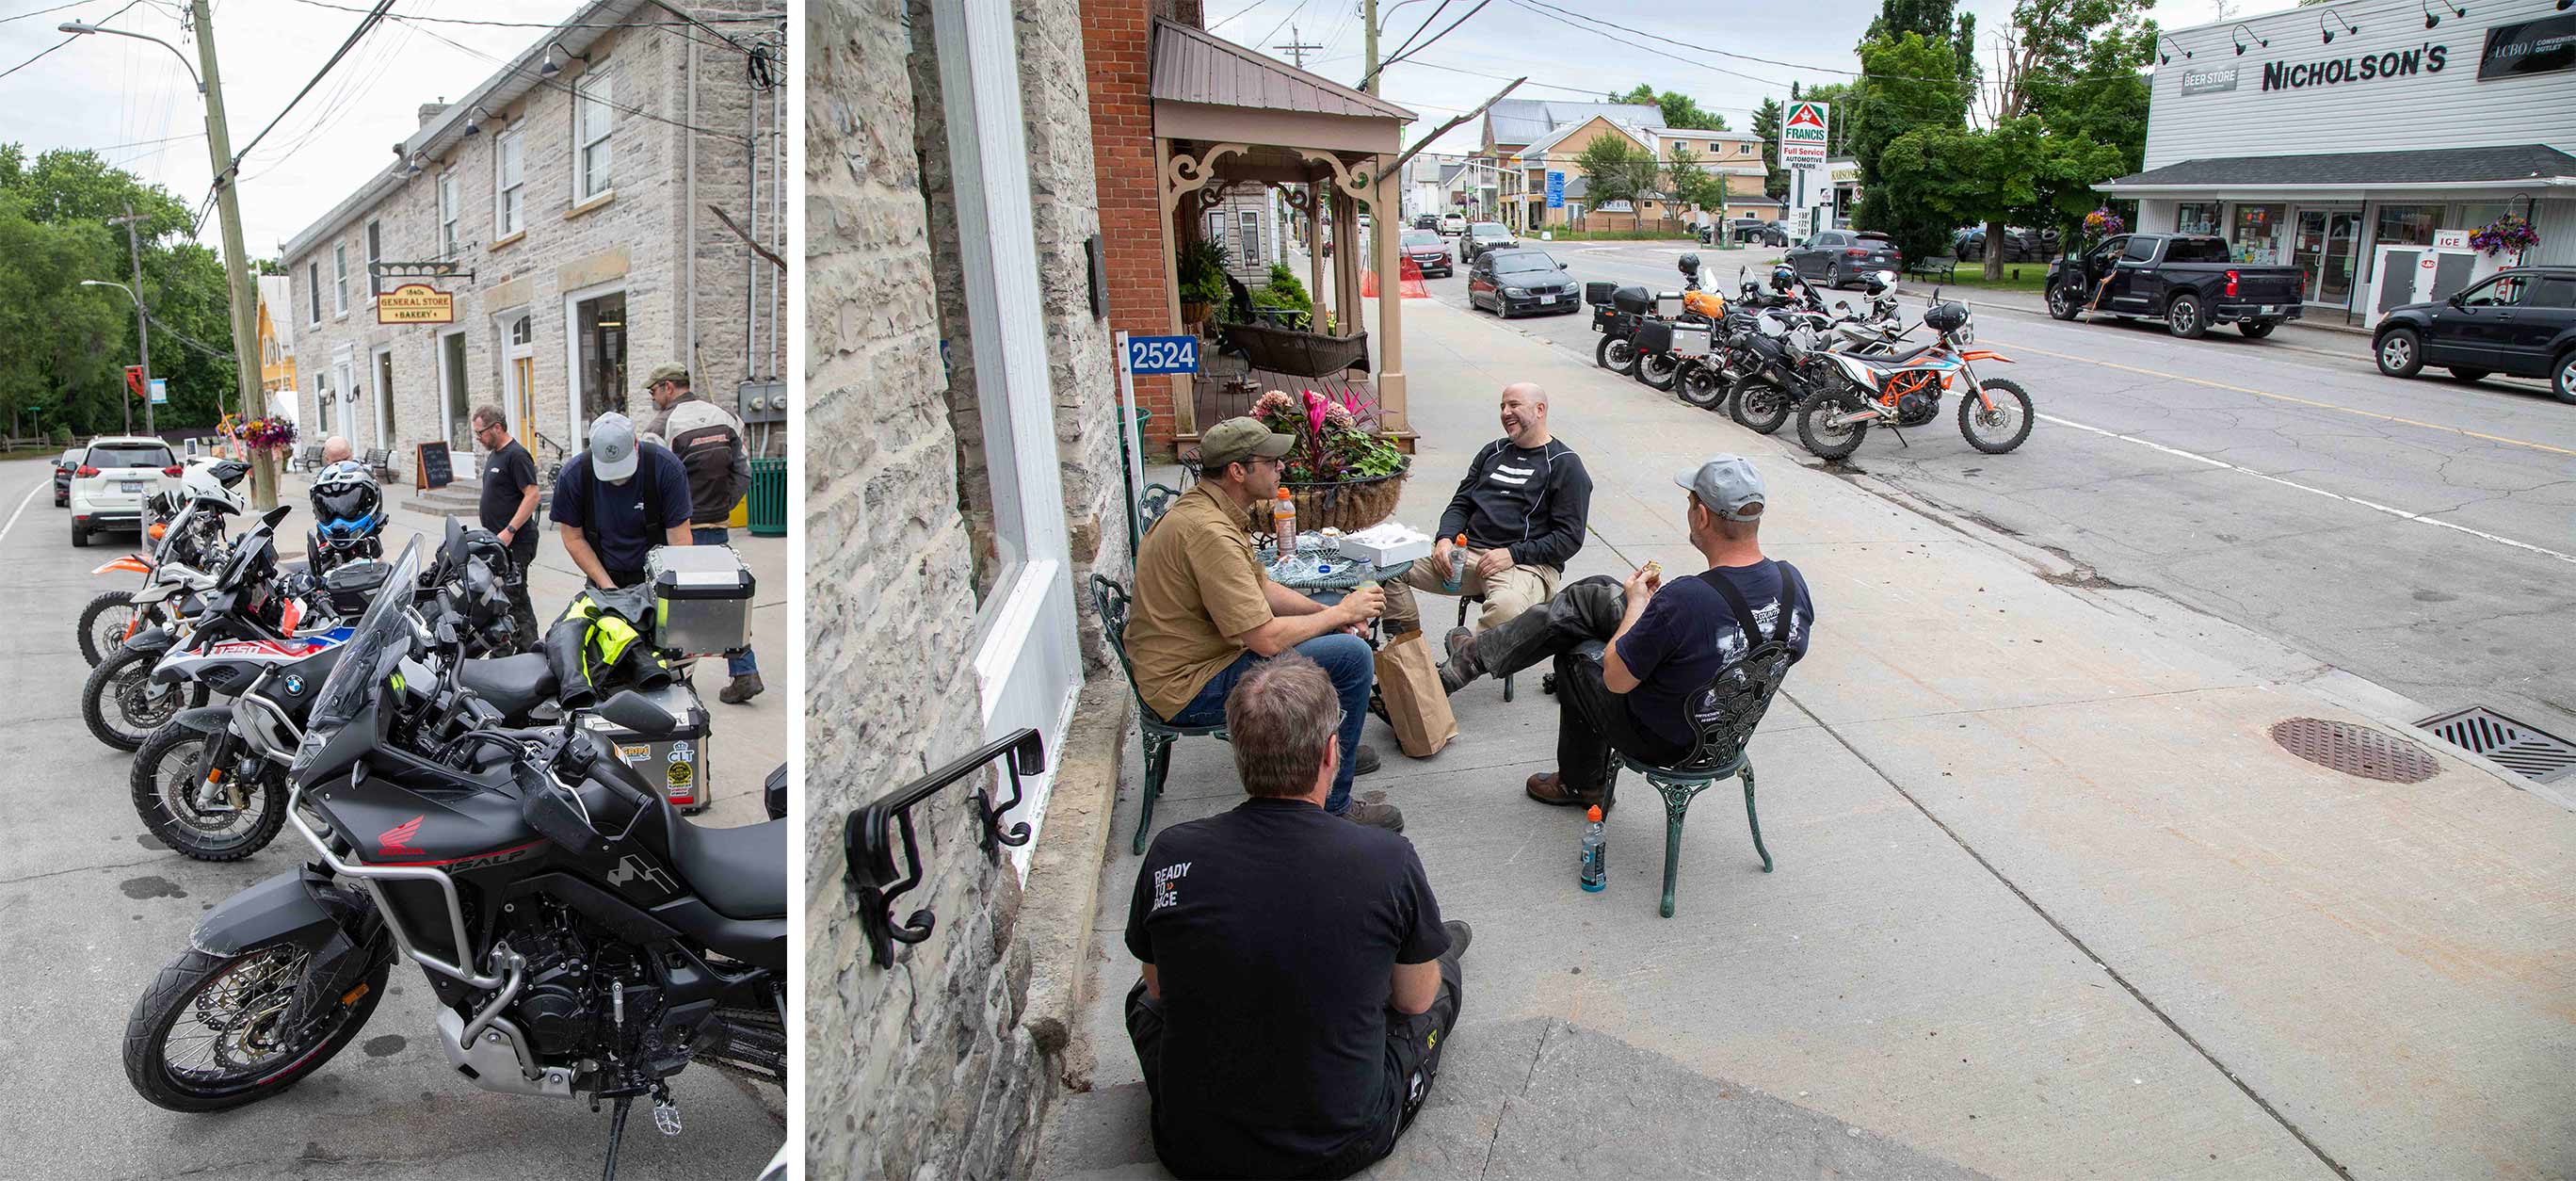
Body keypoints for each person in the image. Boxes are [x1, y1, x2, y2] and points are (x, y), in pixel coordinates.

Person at [1125, 655, 1469, 1180]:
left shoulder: (1171, 853)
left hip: (1192, 1147)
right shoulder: (1386, 858)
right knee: (1439, 978)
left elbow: (1159, 987)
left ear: (1238, 753)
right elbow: (1413, 1000)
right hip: (1343, 1143)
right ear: (1332, 751)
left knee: (1142, 999)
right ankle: (1432, 947)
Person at [1441, 455, 1813, 808]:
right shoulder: (1792, 582)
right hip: (1725, 734)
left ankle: (1582, 783)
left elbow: (1616, 680)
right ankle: (1477, 654)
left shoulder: (1687, 597)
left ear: (1701, 516)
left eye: (1689, 504)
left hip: (1663, 739)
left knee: (1575, 652)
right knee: (1598, 593)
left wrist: (1638, 605)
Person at [1125, 416, 1399, 830]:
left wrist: (1330, 610)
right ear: (1238, 471)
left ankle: (1325, 748)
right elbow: (1265, 639)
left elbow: (1263, 588)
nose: (1281, 469)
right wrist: (1340, 615)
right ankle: (1333, 808)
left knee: (1325, 609)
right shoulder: (1209, 532)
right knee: (1354, 655)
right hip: (1190, 688)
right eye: (1271, 461)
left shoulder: (1209, 509)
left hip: (1194, 661)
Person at [1377, 383, 1592, 686]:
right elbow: (1461, 503)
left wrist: (1514, 554)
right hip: (1465, 555)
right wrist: (1445, 538)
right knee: (1389, 568)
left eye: (1514, 405)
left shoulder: (1565, 465)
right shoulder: (1492, 452)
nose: (1506, 413)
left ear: (1540, 410)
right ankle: (1410, 658)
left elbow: (1569, 538)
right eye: (1503, 406)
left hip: (1525, 566)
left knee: (1509, 610)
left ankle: (1453, 668)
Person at [638, 363, 762, 704]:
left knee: (670, 605)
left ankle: (673, 679)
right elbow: (743, 473)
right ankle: (745, 672)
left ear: (667, 387)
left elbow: (650, 483)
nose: (653, 398)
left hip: (679, 532)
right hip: (717, 525)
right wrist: (721, 507)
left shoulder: (662, 426)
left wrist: (665, 521)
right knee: (726, 600)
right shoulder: (726, 417)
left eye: (653, 391)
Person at [552, 412, 693, 590]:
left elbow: (679, 540)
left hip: (659, 575)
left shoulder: (666, 468)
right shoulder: (573, 475)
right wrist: (607, 587)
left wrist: (666, 586)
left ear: (635, 443)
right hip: (603, 574)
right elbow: (573, 538)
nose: (617, 479)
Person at [471, 406, 544, 648]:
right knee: (503, 596)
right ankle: (509, 647)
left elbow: (532, 495)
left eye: (480, 432)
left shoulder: (516, 455)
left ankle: (528, 649)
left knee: (515, 595)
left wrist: (510, 531)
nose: (478, 438)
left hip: (516, 542)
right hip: (498, 541)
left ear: (497, 428)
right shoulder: (495, 455)